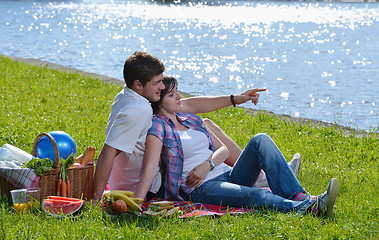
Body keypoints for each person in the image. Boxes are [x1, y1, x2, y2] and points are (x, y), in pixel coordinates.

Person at [135, 76, 339, 218]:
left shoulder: (190, 119)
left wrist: (208, 164)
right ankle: (309, 209)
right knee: (260, 195)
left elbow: (222, 149)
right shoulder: (158, 126)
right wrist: (137, 202)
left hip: (226, 174)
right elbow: (151, 166)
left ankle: (300, 196)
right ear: (159, 103)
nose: (179, 97)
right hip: (202, 187)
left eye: (177, 92)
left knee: (261, 140)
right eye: (172, 95)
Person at [92, 51, 266, 201]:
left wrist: (235, 99)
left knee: (205, 124)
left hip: (134, 181)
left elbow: (190, 105)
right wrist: (95, 199)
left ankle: (259, 174)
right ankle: (257, 175)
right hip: (149, 187)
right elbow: (108, 152)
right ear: (138, 84)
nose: (161, 86)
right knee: (197, 130)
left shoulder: (126, 95)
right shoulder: (140, 110)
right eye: (157, 83)